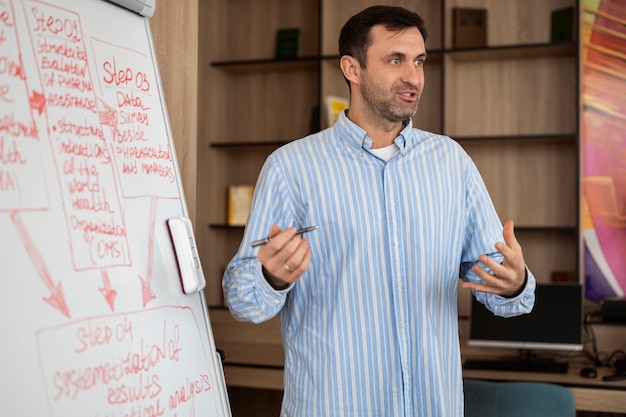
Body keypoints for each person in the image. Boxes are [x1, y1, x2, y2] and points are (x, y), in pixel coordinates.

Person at [223, 5, 536, 416]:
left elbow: (507, 297)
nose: (414, 77)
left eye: (419, 61)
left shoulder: (451, 162)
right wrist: (271, 276)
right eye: (395, 60)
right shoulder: (291, 168)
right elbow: (244, 302)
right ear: (352, 68)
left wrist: (513, 283)